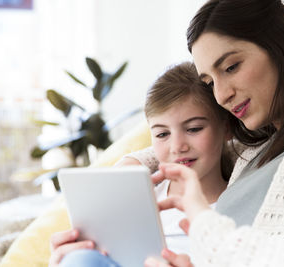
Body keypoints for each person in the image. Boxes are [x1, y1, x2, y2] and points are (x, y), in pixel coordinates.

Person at [121, 0, 284, 266]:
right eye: (210, 83)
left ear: (281, 47)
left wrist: (214, 236)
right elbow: (199, 144)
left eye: (231, 67)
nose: (222, 95)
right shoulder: (252, 152)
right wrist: (136, 163)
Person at [48, 62, 234, 267]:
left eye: (194, 129)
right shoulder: (137, 199)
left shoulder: (241, 206)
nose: (177, 146)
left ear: (226, 128)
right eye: (162, 134)